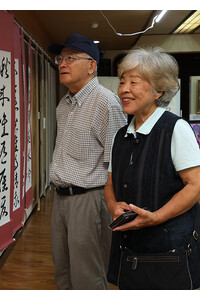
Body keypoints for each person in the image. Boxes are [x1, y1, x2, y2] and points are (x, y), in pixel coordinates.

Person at [105, 47, 200, 289]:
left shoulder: (175, 128)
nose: (124, 89)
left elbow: (195, 186)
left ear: (159, 90)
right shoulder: (121, 135)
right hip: (129, 247)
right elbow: (110, 181)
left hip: (169, 251)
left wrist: (156, 217)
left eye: (134, 82)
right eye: (122, 81)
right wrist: (113, 206)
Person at [48, 33, 127, 289]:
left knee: (88, 276)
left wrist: (113, 206)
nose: (62, 63)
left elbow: (118, 163)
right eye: (61, 58)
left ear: (92, 66)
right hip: (60, 199)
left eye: (71, 58)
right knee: (63, 271)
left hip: (89, 199)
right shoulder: (64, 104)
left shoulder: (106, 103)